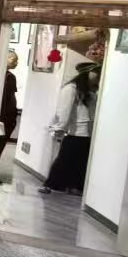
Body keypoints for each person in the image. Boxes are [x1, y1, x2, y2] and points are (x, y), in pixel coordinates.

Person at [42, 63, 100, 194]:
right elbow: (64, 110)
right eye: (96, 73)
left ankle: (73, 186)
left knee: (80, 162)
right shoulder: (71, 89)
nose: (98, 76)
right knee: (65, 159)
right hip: (75, 132)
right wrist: (60, 128)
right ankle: (50, 184)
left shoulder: (91, 91)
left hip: (88, 133)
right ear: (86, 73)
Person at [0, 51, 21, 174]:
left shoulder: (9, 76)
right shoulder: (6, 77)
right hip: (2, 119)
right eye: (14, 59)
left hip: (6, 119)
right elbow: (4, 99)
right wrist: (0, 119)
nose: (16, 63)